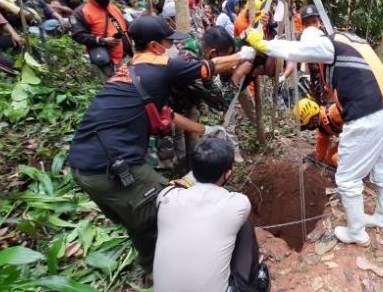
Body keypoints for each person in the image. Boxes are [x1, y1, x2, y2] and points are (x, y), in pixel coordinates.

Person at [68, 15, 257, 274]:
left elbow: (167, 113)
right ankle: (185, 270)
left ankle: (150, 269)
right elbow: (207, 68)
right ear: (155, 47)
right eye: (168, 44)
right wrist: (242, 56)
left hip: (83, 166)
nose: (173, 50)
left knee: (140, 222)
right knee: (170, 208)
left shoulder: (130, 71)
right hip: (112, 165)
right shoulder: (159, 67)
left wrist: (207, 129)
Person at [246, 5, 383, 245]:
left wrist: (265, 44)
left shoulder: (327, 43)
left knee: (348, 178)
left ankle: (356, 233)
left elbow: (296, 50)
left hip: (367, 115)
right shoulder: (353, 40)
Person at [154, 138, 271, 292]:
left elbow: (184, 184)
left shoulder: (166, 196)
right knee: (244, 226)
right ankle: (248, 286)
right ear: (228, 173)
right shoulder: (237, 204)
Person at [71, 0, 132, 82]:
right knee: (114, 90)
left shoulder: (114, 8)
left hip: (126, 57)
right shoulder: (81, 12)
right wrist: (102, 41)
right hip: (107, 61)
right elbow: (78, 35)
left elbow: (126, 26)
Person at [294, 97, 343, 168]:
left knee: (336, 159)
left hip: (360, 136)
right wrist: (316, 160)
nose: (309, 127)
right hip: (353, 139)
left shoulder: (333, 112)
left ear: (312, 118)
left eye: (308, 125)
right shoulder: (323, 124)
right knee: (330, 157)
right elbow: (322, 143)